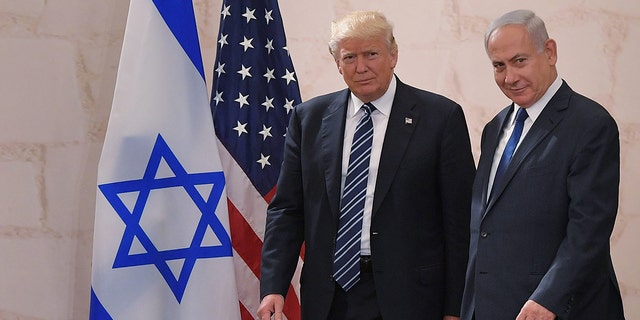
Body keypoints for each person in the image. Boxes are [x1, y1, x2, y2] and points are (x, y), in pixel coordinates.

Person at [257, 10, 475, 320]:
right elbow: (287, 211)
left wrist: (456, 308)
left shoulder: (441, 118)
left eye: (371, 54)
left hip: (412, 298)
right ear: (337, 64)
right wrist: (274, 286)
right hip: (329, 297)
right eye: (350, 58)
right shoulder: (310, 119)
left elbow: (460, 222)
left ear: (393, 55)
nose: (361, 67)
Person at [461, 9, 625, 320]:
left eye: (519, 61)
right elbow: (485, 227)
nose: (509, 77)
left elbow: (589, 228)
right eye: (499, 66)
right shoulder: (494, 128)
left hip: (555, 309)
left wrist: (549, 299)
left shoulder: (590, 124)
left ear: (549, 52)